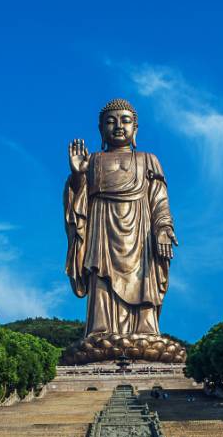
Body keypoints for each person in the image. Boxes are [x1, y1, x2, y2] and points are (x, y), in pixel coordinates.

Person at [64, 98, 177, 336]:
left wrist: (163, 228)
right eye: (110, 121)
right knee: (101, 277)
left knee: (144, 280)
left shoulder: (148, 159)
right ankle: (100, 331)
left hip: (140, 232)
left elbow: (159, 198)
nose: (118, 126)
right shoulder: (93, 160)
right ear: (101, 129)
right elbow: (79, 203)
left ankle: (146, 332)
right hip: (102, 228)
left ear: (135, 128)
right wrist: (78, 176)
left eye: (125, 121)